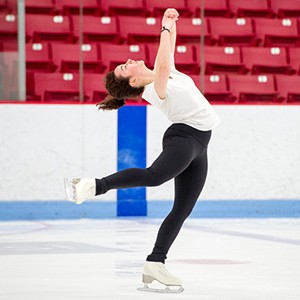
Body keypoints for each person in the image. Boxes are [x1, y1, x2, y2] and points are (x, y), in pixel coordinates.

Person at [64, 8, 220, 293]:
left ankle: (155, 262)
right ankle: (95, 185)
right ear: (133, 82)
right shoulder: (155, 87)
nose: (127, 61)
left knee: (183, 208)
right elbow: (161, 64)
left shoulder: (166, 72)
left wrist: (169, 23)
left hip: (200, 144)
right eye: (124, 69)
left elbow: (167, 53)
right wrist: (163, 29)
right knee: (154, 176)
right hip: (184, 138)